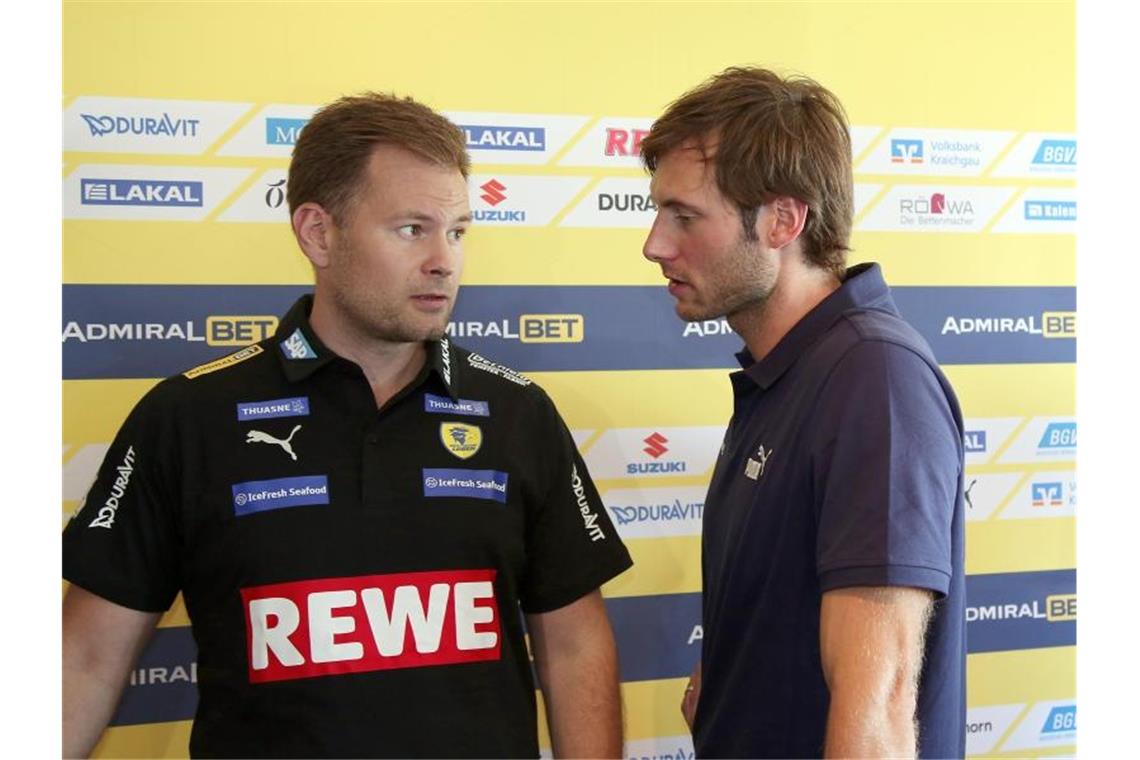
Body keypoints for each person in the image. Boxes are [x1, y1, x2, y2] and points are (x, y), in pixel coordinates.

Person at [62, 92, 632, 759]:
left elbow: (574, 645)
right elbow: (87, 658)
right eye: (412, 229)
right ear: (317, 233)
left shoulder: (518, 414)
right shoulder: (188, 417)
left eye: (457, 231)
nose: (444, 260)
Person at [639, 67, 966, 758]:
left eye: (684, 216)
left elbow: (879, 701)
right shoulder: (792, 373)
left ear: (783, 220)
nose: (655, 244)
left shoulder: (872, 378)